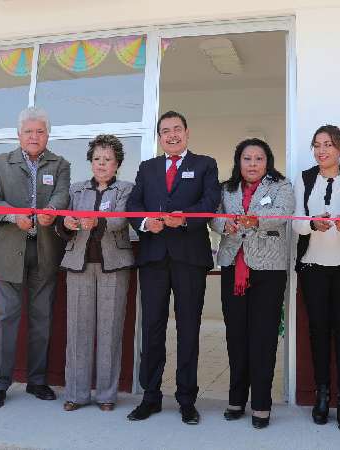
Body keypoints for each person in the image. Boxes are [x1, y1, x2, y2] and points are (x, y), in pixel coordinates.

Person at [125, 110, 220, 425]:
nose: (172, 135)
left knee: (188, 329)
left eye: (177, 129)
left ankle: (186, 400)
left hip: (189, 258)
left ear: (187, 132)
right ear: (159, 136)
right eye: (165, 131)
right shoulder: (147, 168)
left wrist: (185, 218)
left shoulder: (204, 164)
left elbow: (210, 203)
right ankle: (150, 397)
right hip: (153, 257)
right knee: (152, 328)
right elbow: (133, 206)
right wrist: (144, 222)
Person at [0, 107, 70, 409]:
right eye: (29, 131)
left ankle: (38, 380)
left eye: (40, 131)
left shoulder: (60, 164)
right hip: (8, 251)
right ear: (19, 135)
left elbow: (61, 195)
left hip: (45, 250)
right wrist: (12, 214)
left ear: (47, 135)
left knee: (42, 319)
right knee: (4, 320)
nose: (34, 136)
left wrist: (51, 213)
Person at [210, 138, 293, 429]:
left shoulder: (281, 186)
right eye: (247, 159)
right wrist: (226, 225)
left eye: (259, 159)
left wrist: (254, 220)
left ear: (267, 162)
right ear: (239, 162)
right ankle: (236, 399)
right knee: (236, 335)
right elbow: (214, 218)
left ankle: (261, 403)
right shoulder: (226, 188)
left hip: (268, 270)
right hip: (233, 266)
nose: (253, 164)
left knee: (264, 338)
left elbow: (283, 215)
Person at [292, 125, 340, 430]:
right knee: (318, 331)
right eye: (316, 145)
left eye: (328, 144)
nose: (321, 150)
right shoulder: (304, 177)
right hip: (313, 265)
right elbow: (297, 221)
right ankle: (322, 394)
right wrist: (313, 224)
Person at [58, 135, 134, 412]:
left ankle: (106, 395)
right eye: (97, 159)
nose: (102, 164)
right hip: (78, 264)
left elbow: (122, 218)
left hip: (113, 264)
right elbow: (62, 226)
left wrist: (97, 220)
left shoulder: (126, 189)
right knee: (77, 330)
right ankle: (76, 394)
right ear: (90, 161)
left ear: (117, 164)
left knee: (109, 330)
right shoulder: (76, 190)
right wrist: (65, 221)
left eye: (108, 160)